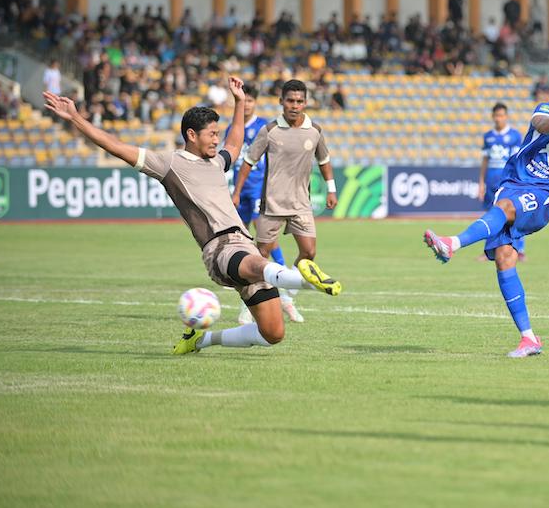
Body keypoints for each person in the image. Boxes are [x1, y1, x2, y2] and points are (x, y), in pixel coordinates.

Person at [42, 79, 342, 355]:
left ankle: (201, 339)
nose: (216, 140)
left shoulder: (215, 162)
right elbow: (117, 147)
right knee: (259, 264)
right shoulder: (169, 163)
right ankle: (306, 281)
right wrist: (77, 119)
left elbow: (235, 144)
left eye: (217, 134)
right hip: (220, 249)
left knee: (273, 333)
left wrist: (239, 103)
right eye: (211, 134)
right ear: (191, 134)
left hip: (244, 244)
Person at [423, 74, 549, 358]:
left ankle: (452, 244)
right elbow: (540, 126)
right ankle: (528, 338)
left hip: (545, 196)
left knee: (505, 209)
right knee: (505, 257)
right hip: (513, 183)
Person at [233, 80, 338, 303]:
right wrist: (236, 192)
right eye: (290, 100)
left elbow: (324, 160)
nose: (294, 105)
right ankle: (249, 307)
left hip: (301, 204)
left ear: (306, 103)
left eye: (299, 101)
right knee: (260, 257)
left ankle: (288, 297)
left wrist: (331, 189)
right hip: (272, 204)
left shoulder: (314, 131)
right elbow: (248, 162)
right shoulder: (269, 131)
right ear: (281, 102)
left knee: (309, 254)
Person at [224, 84, 298, 325]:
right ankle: (249, 286)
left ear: (255, 103)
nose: (246, 105)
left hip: (259, 188)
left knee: (265, 236)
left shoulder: (263, 127)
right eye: (243, 101)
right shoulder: (232, 128)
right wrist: (233, 190)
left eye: (250, 101)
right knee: (240, 238)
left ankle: (284, 274)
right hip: (240, 189)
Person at [477, 103, 523, 261]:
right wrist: (481, 182)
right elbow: (485, 160)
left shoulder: (515, 136)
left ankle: (519, 249)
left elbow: (517, 160)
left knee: (512, 215)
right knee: (491, 215)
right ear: (492, 117)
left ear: (506, 116)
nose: (499, 119)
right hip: (491, 180)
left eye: (501, 115)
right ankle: (489, 251)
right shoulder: (488, 137)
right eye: (496, 116)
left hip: (507, 180)